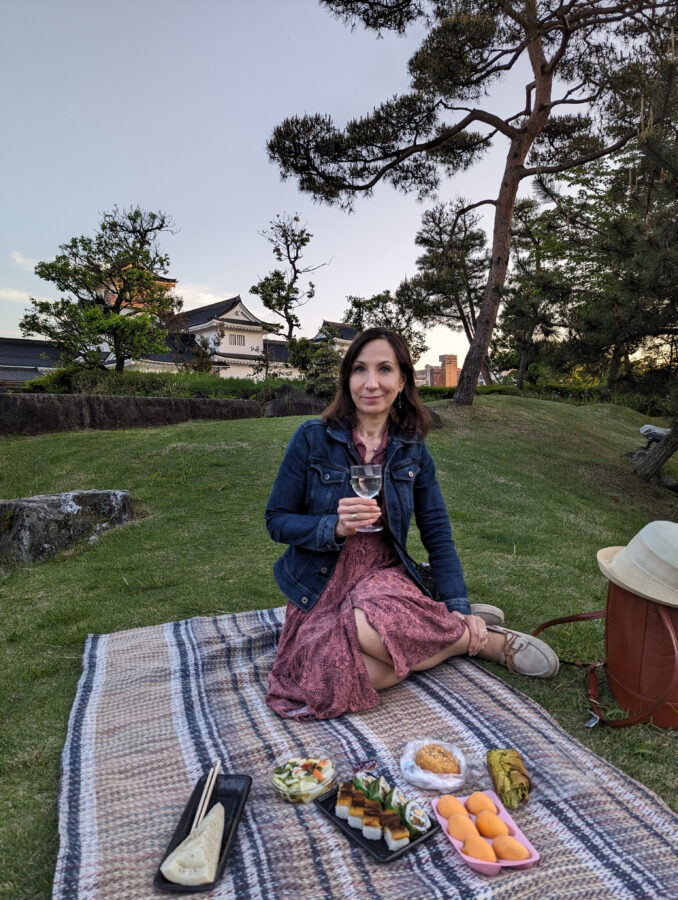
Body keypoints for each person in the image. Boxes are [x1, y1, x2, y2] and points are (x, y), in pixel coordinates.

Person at [265, 328, 558, 720]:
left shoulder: (412, 449)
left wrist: (458, 602)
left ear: (402, 381)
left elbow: (437, 531)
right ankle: (457, 636)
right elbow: (276, 521)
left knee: (367, 629)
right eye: (359, 370)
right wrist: (331, 527)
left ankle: (485, 639)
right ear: (347, 380)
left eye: (384, 369)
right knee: (322, 681)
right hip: (320, 582)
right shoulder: (311, 438)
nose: (371, 383)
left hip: (381, 575)